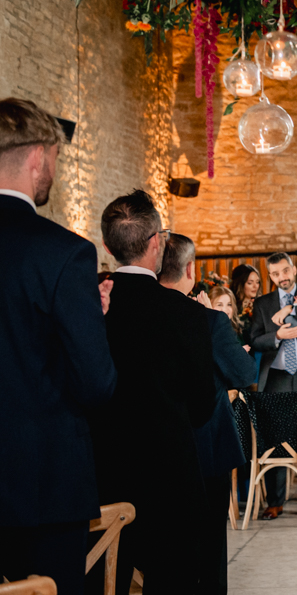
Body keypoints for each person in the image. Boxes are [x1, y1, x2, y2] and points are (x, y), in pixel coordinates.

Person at [0, 98, 117, 595]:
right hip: (43, 485)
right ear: (37, 158)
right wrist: (91, 324)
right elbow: (96, 383)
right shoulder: (64, 253)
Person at [91, 190, 217, 595]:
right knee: (174, 581)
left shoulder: (90, 306)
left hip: (101, 475)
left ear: (108, 247)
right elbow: (202, 406)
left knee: (104, 580)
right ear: (156, 243)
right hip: (171, 476)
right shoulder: (189, 315)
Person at [159, 234, 256, 595]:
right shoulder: (208, 321)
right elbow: (245, 373)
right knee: (210, 546)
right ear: (190, 269)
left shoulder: (137, 310)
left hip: (154, 445)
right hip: (207, 443)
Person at [249, 252, 297, 519]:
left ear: (293, 268)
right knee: (276, 440)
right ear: (270, 276)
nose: (282, 278)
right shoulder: (263, 304)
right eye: (276, 274)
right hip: (277, 377)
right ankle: (275, 502)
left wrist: (291, 308)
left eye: (285, 271)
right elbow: (255, 339)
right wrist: (276, 335)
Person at [230, 263, 261, 345]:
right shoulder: (230, 306)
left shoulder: (260, 304)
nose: (255, 286)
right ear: (240, 284)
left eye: (257, 282)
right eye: (250, 283)